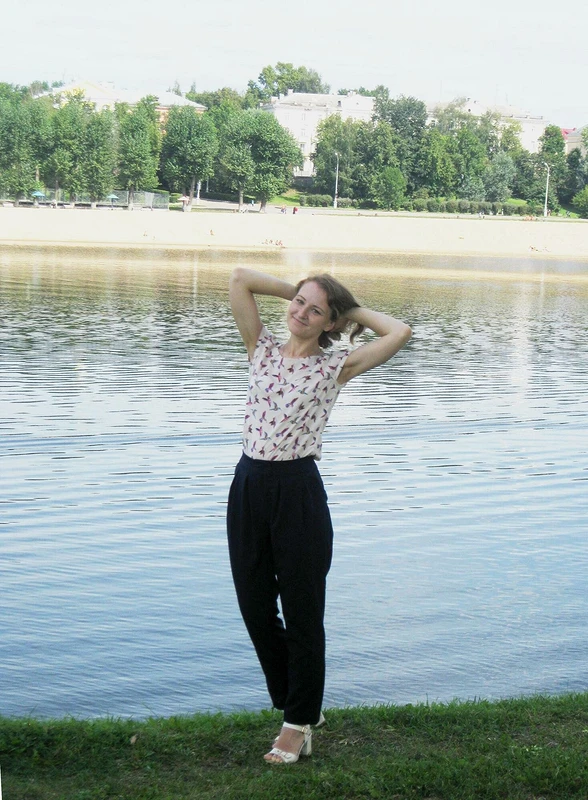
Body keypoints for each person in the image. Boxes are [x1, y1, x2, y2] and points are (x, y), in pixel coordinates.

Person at [227, 268, 412, 765]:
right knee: (253, 604)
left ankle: (297, 724)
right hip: (248, 485)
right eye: (299, 304)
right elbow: (241, 279)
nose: (301, 314)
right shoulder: (261, 348)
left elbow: (399, 332)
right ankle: (301, 702)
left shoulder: (336, 366)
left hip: (298, 492)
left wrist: (347, 309)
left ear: (330, 323)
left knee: (303, 609)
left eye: (315, 311)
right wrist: (301, 291)